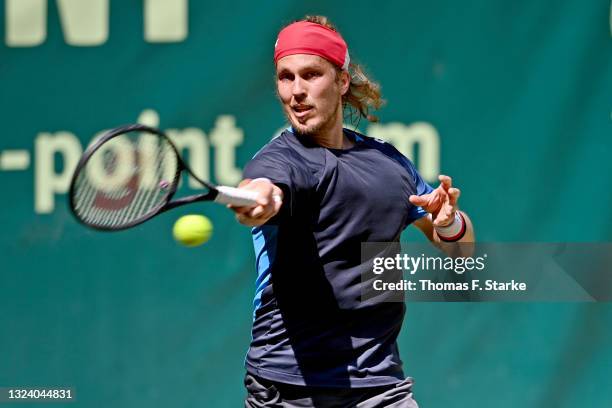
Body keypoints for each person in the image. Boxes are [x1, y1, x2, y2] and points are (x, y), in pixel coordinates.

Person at [229, 15, 475, 408]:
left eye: (311, 75)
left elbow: (462, 251)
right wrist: (259, 201)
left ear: (342, 81)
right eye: (285, 77)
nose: (296, 91)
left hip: (379, 385)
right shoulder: (279, 160)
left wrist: (449, 222)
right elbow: (263, 190)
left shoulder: (390, 164)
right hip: (290, 389)